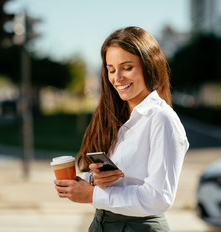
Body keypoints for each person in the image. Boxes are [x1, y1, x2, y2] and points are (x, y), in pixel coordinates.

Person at [54, 26, 189, 231]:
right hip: (102, 223)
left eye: (127, 68)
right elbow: (125, 179)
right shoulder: (115, 117)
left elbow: (160, 198)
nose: (117, 78)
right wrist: (94, 180)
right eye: (111, 69)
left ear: (149, 65)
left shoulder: (161, 119)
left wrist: (92, 195)